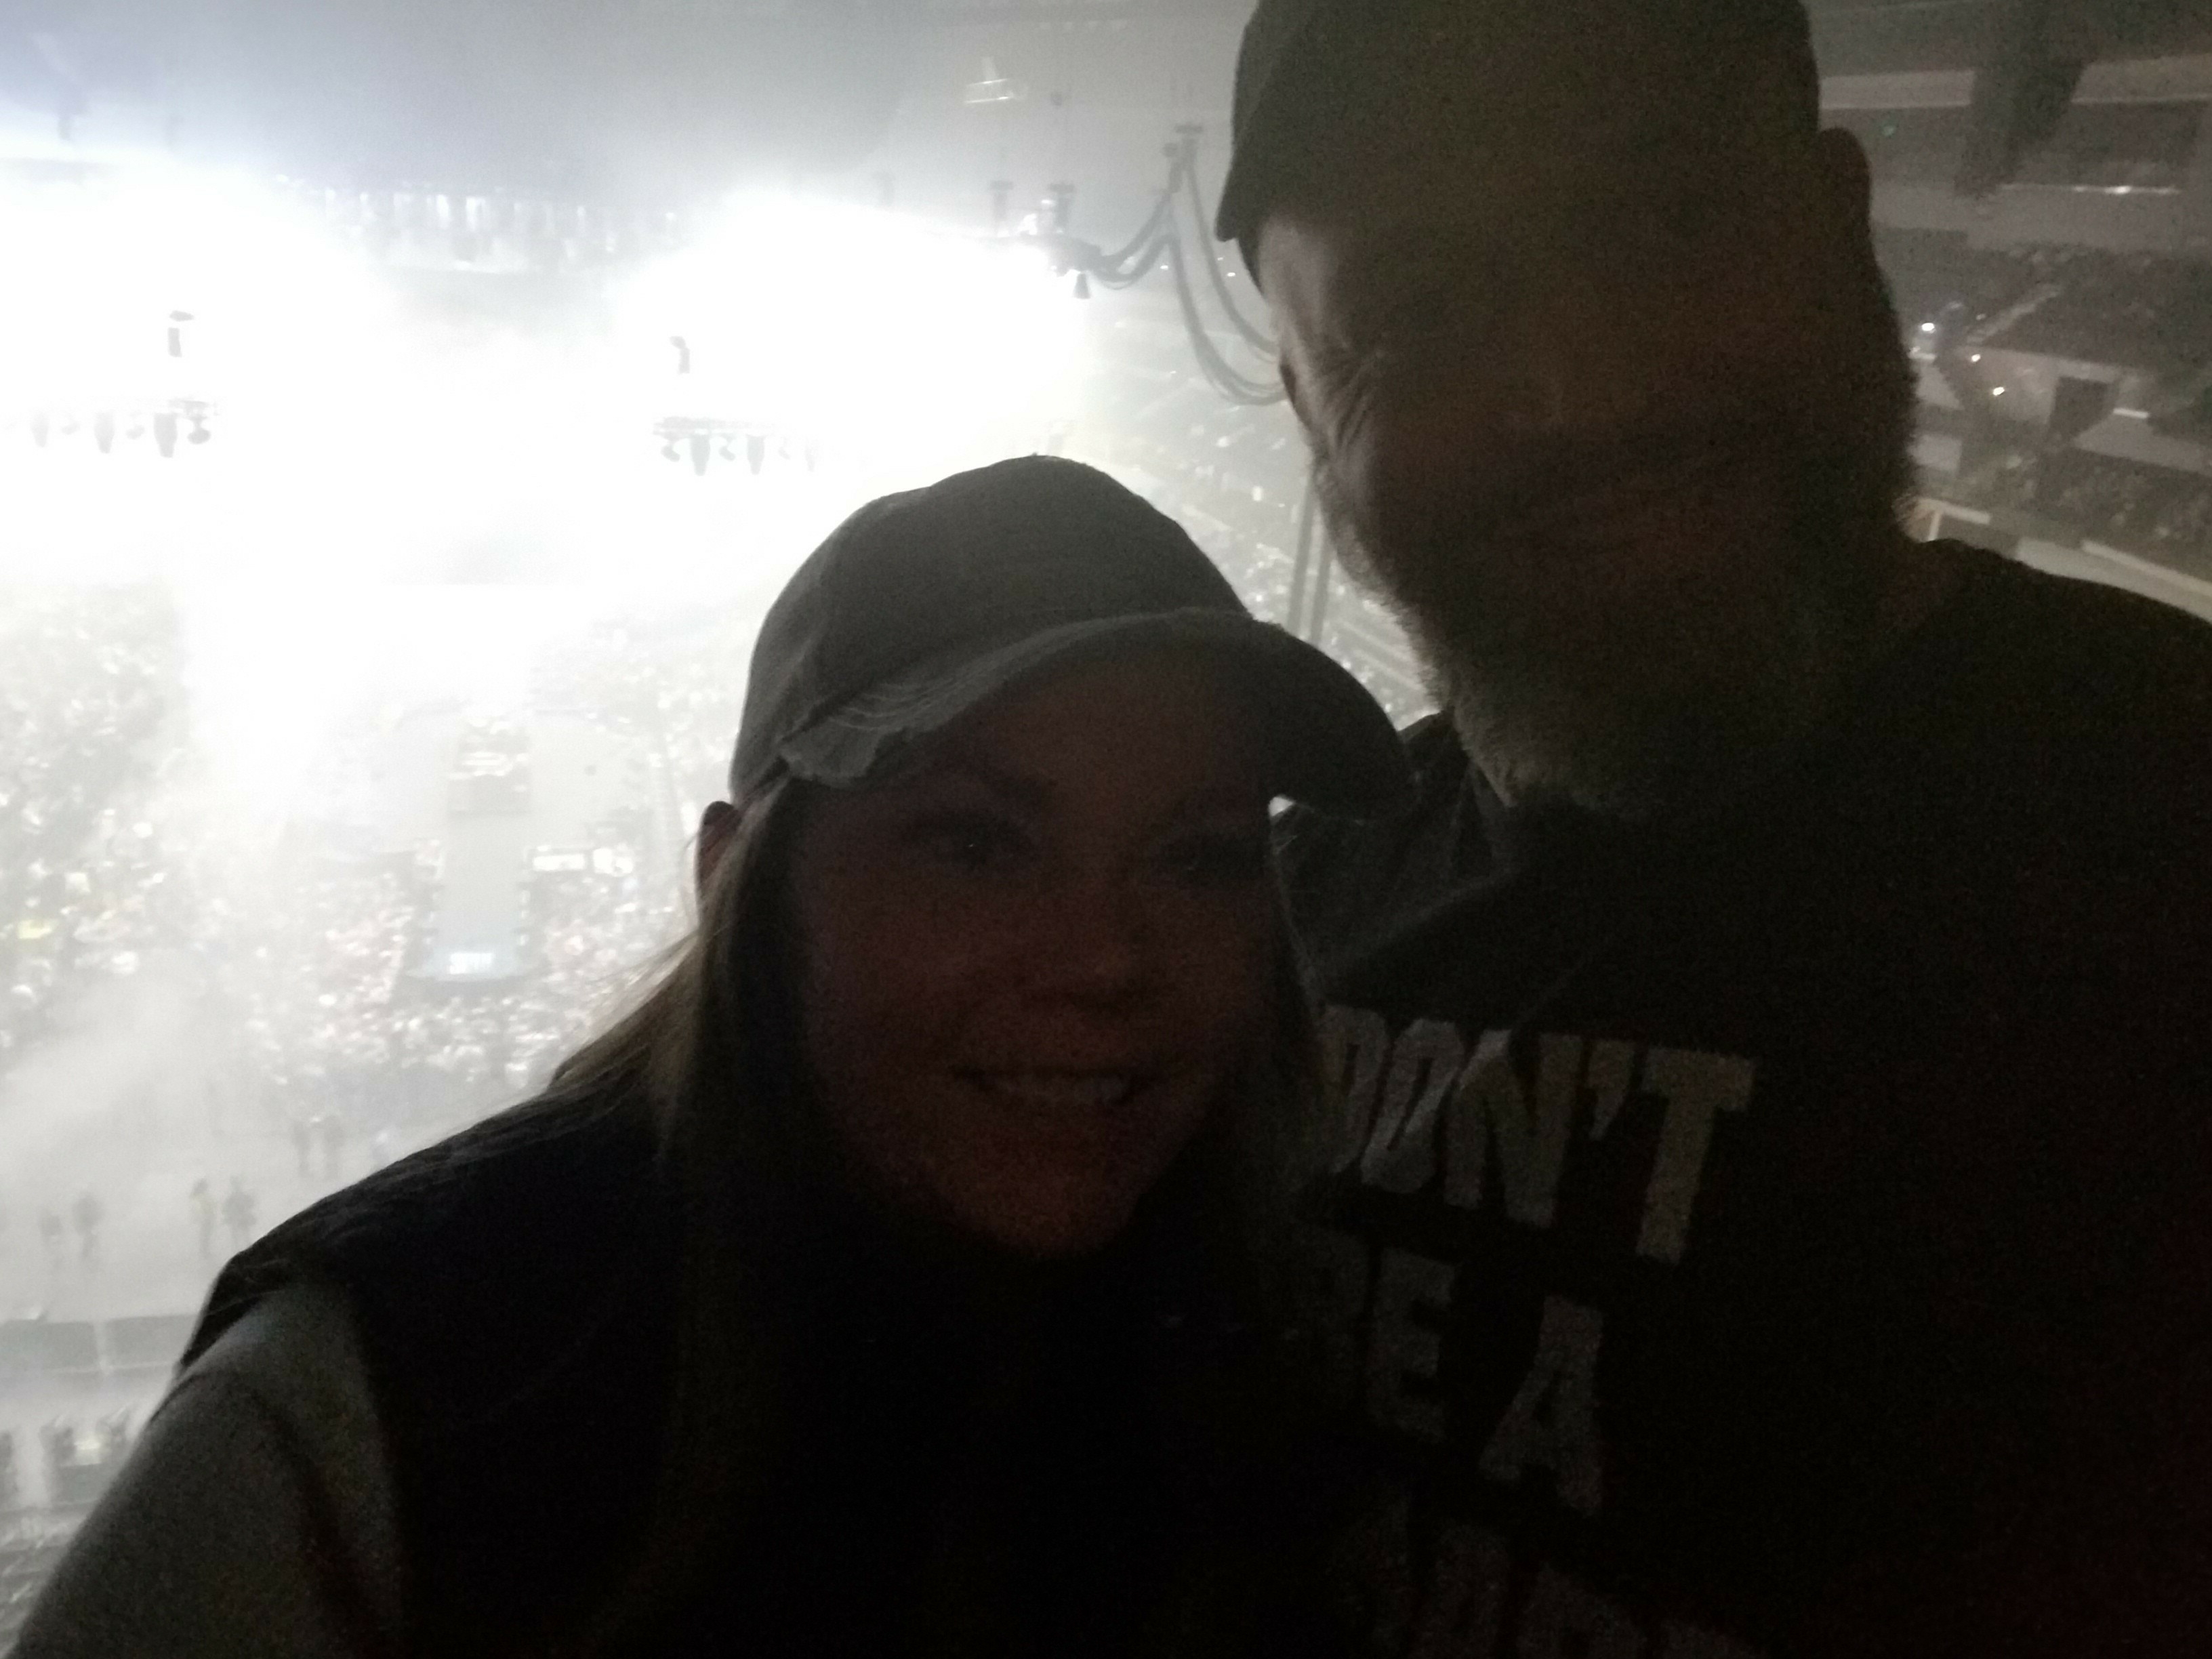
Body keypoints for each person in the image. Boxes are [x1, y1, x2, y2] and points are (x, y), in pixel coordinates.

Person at [16, 457, 1409, 1658]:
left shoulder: (1310, 1314)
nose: (1106, 959)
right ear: (740, 881)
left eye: (1200, 858)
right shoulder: (379, 1399)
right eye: (976, 846)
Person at [1216, 1, 2212, 1654]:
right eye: (1420, 308)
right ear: (1312, 409)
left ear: (1840, 216)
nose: (1584, 388)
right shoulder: (1280, 917)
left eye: (1666, 222)